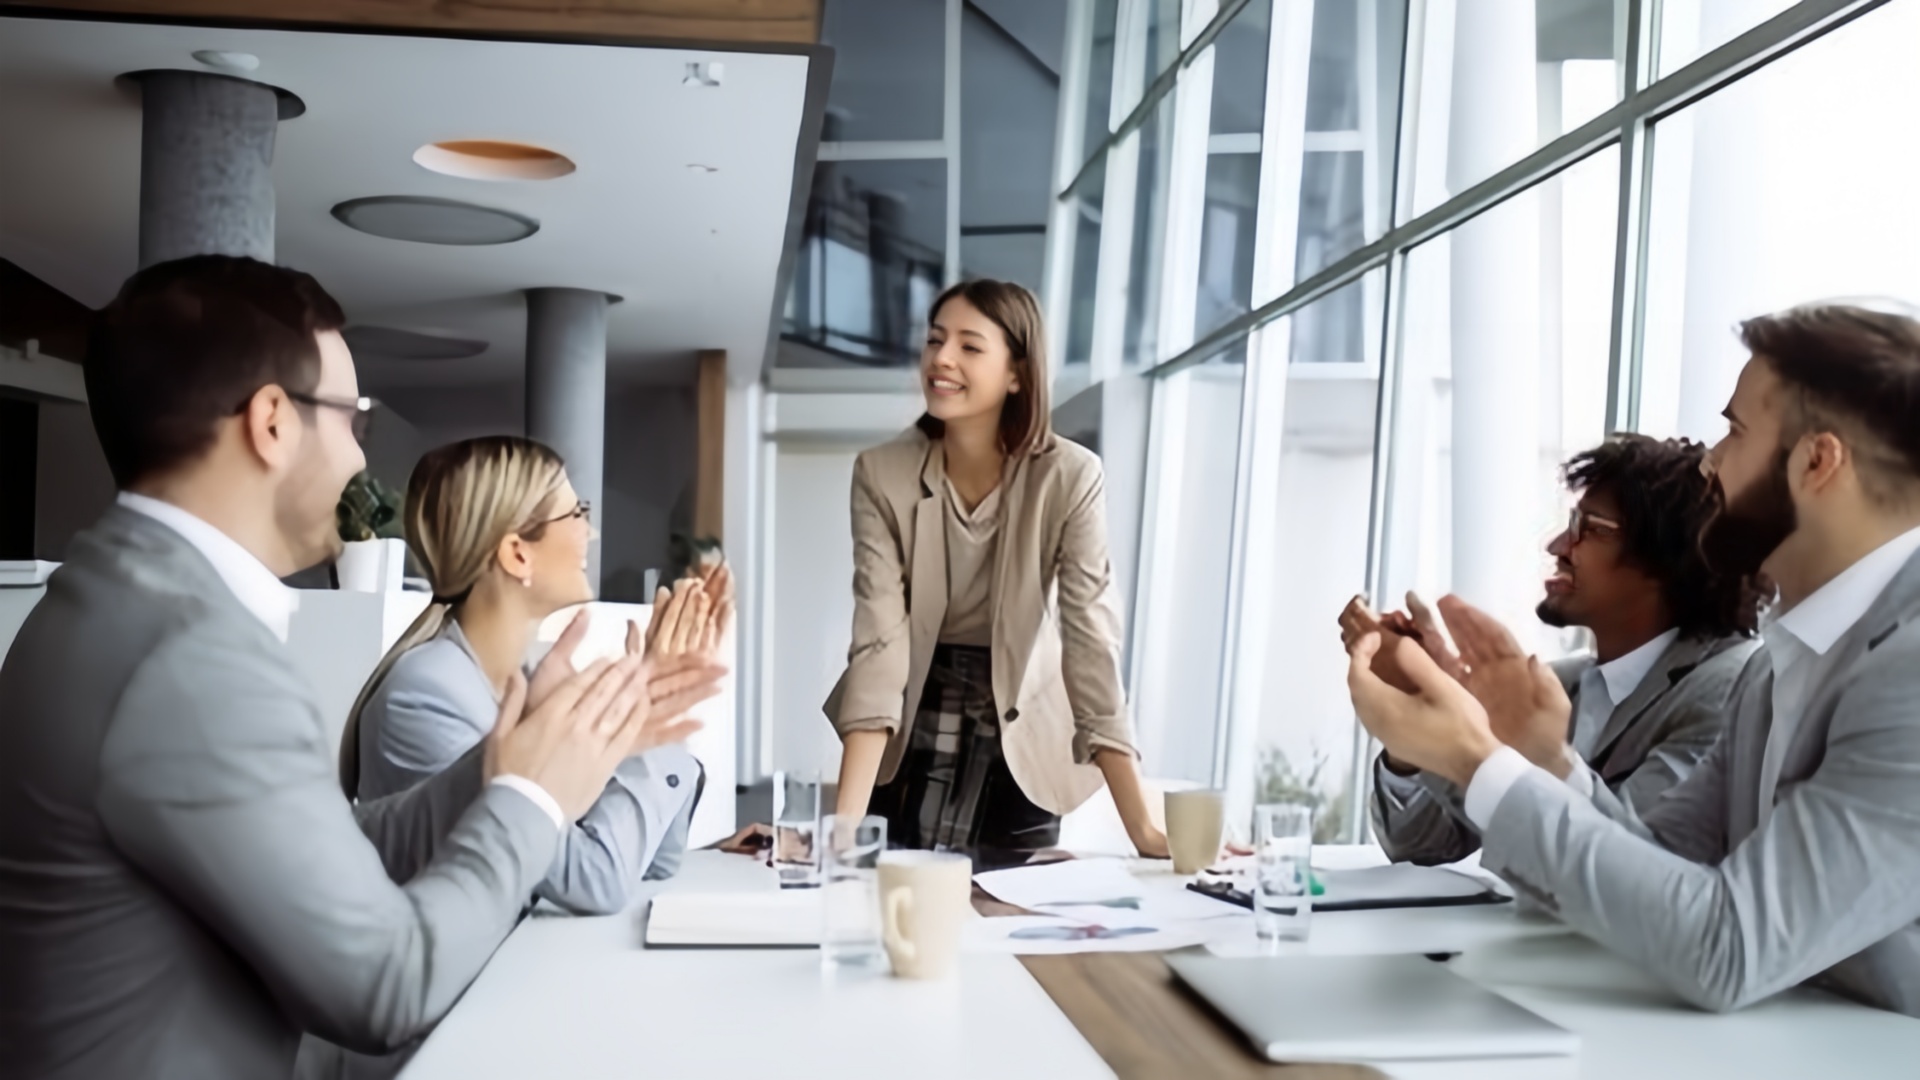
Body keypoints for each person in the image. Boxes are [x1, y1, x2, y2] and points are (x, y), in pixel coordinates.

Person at [0, 255, 725, 1079]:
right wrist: (532, 796)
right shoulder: (188, 657)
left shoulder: (111, 606)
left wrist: (499, 766)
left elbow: (328, 841)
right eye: (353, 418)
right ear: (271, 421)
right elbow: (387, 986)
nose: (357, 460)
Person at [1344, 301, 1920, 1016]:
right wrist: (1537, 760)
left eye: (1735, 430)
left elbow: (1729, 946)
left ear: (1816, 461)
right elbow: (1660, 866)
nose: (1710, 460)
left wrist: (1477, 760)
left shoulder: (1907, 671)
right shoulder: (1780, 663)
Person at [825, 279, 1168, 864]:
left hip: (1024, 732)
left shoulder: (1071, 477)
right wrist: (842, 831)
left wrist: (1144, 829)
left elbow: (1090, 644)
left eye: (969, 345)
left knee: (1008, 915)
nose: (942, 358)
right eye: (935, 340)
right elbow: (880, 648)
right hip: (915, 715)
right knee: (892, 903)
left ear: (1017, 373)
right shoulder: (881, 474)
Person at [340, 436, 731, 914]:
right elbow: (595, 878)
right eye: (575, 514)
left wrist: (658, 707)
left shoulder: (522, 681)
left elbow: (653, 861)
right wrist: (646, 705)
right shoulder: (426, 695)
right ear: (517, 554)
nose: (591, 533)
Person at [1344, 435, 1762, 866]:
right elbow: (1421, 847)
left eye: (1590, 528)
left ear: (1671, 557)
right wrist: (1420, 707)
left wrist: (1529, 754)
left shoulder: (1731, 688)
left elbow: (1638, 864)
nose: (1558, 546)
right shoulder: (1562, 686)